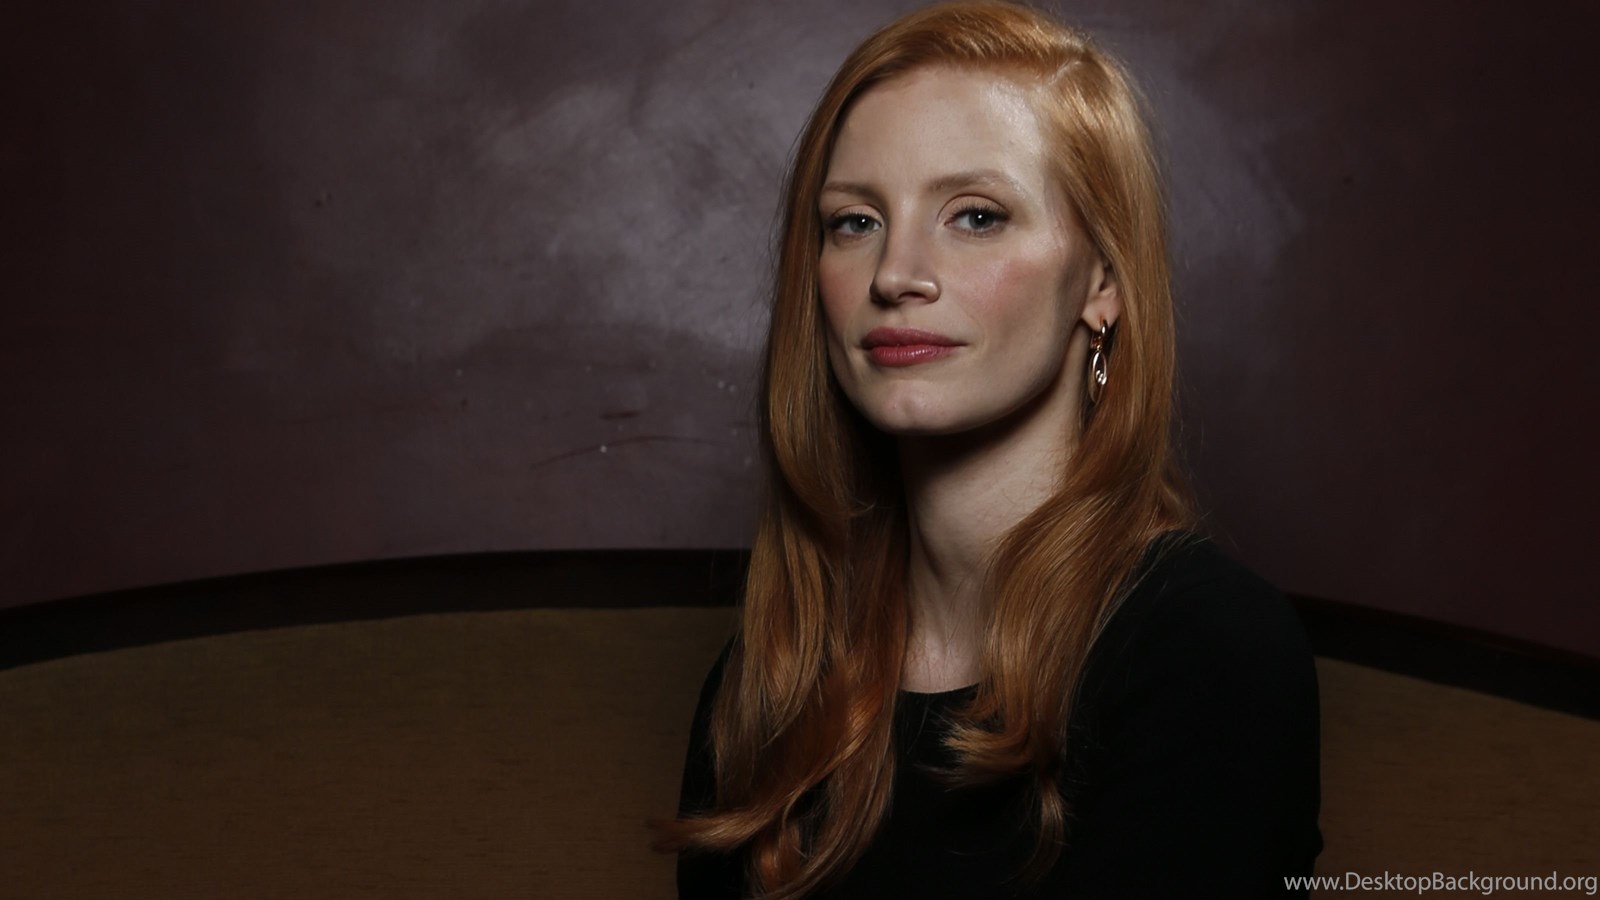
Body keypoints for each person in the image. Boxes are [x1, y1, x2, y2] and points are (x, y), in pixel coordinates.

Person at [655, 2, 1322, 897]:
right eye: (855, 222)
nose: (896, 274)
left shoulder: (1208, 650)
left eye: (975, 216)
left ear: (1103, 280)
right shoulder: (772, 677)